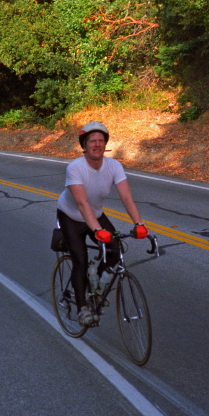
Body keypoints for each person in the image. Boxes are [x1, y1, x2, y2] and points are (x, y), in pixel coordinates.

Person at [56, 121, 149, 326]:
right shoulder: (75, 168)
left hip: (95, 214)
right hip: (71, 215)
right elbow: (81, 203)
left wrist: (139, 223)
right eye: (92, 141)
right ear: (85, 145)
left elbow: (126, 198)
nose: (97, 144)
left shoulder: (114, 166)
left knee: (115, 249)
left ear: (105, 143)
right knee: (80, 260)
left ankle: (96, 289)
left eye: (100, 140)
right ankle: (82, 309)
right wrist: (97, 230)